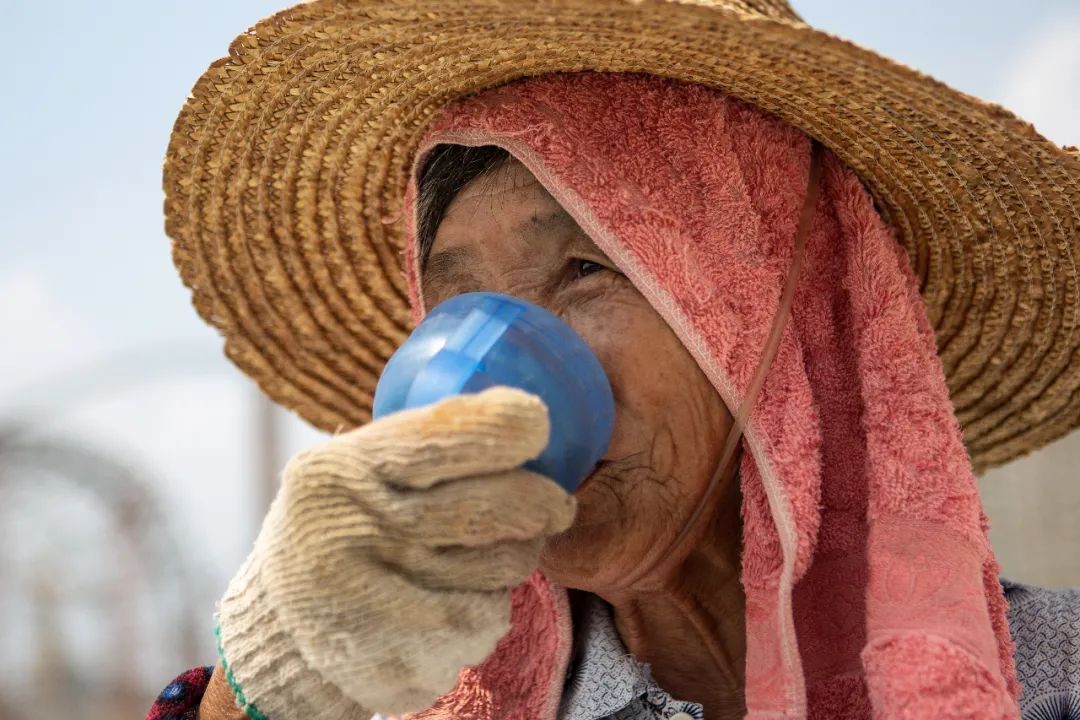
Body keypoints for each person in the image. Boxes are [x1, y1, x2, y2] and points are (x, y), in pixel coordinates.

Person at [148, 2, 1080, 719]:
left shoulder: (1054, 677)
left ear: (770, 322)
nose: (498, 369)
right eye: (458, 300)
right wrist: (268, 674)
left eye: (586, 267)